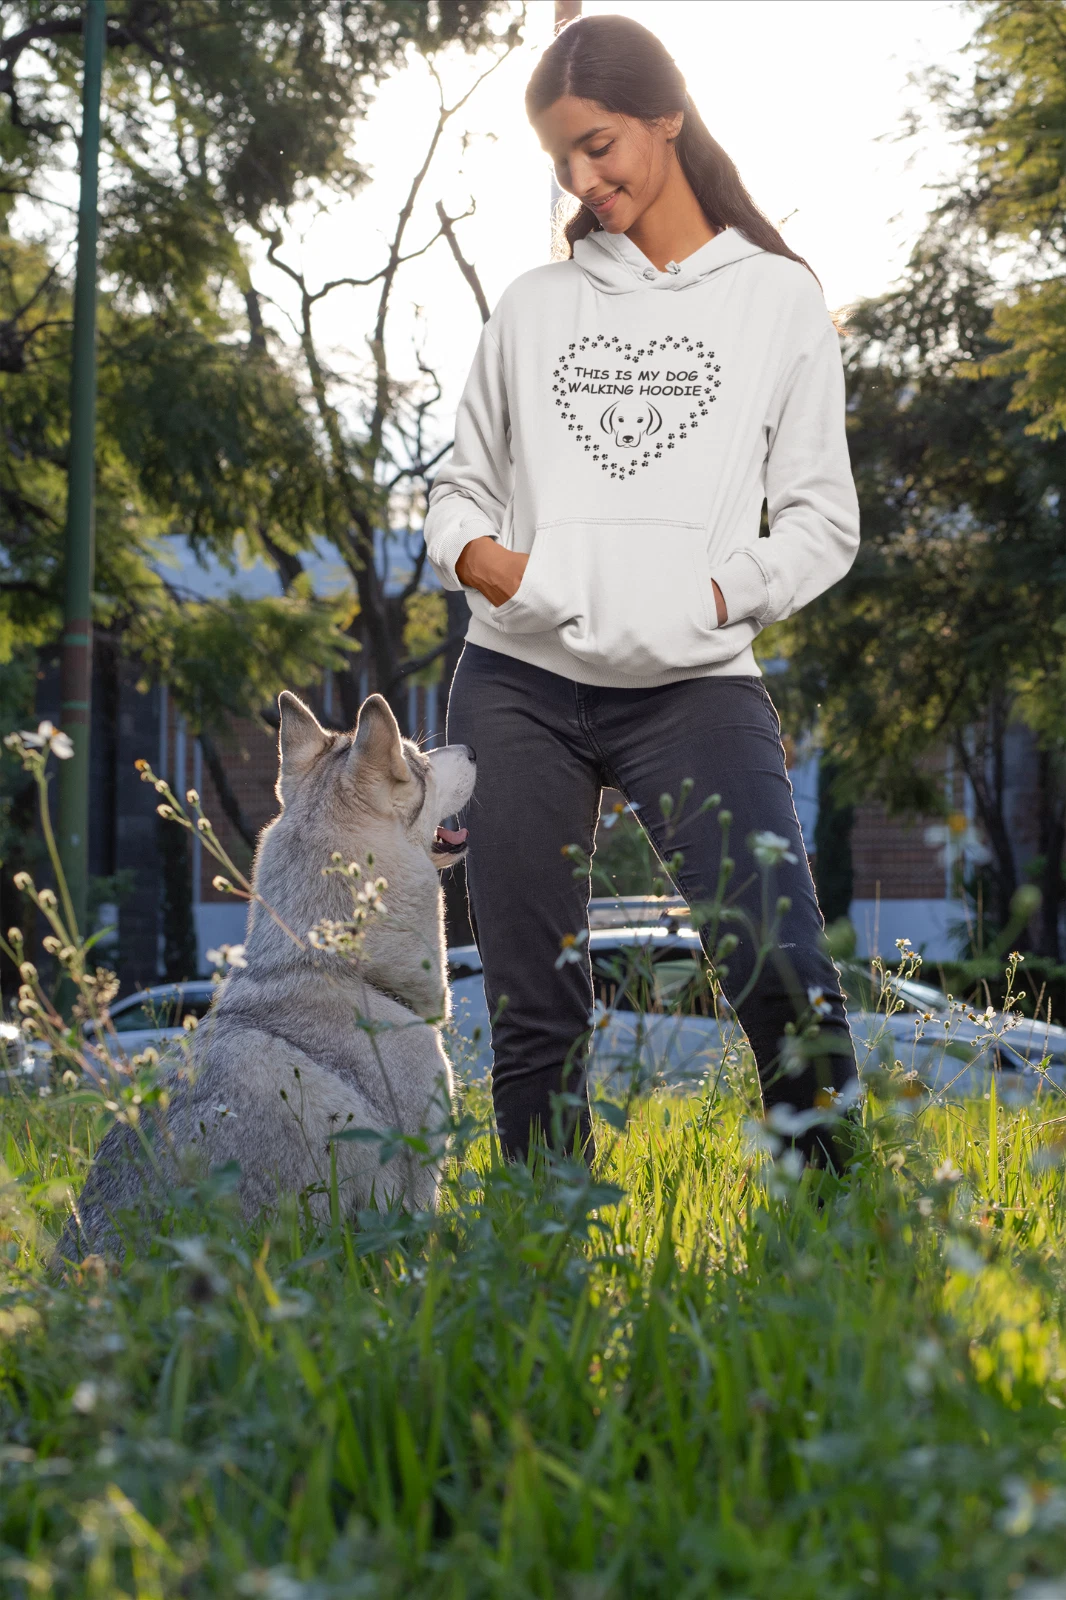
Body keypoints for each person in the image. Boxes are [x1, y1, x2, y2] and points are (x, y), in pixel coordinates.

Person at [426, 12, 860, 1166]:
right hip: (518, 676)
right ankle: (541, 1273)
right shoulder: (535, 304)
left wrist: (718, 596)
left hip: (694, 681)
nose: (583, 179)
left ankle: (833, 1242)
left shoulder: (775, 299)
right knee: (534, 1008)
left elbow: (823, 521)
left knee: (780, 967)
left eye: (600, 144)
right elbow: (456, 492)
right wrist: (483, 559)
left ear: (667, 121)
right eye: (560, 159)